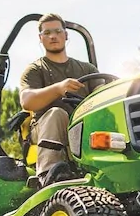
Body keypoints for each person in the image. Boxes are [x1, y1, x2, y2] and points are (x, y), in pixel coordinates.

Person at [19, 14, 99, 184]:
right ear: (40, 38)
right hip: (45, 127)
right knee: (57, 114)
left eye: (57, 31)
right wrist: (58, 88)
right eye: (47, 33)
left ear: (66, 35)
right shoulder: (35, 69)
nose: (53, 36)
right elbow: (27, 100)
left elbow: (103, 93)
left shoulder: (87, 69)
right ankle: (48, 174)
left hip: (84, 126)